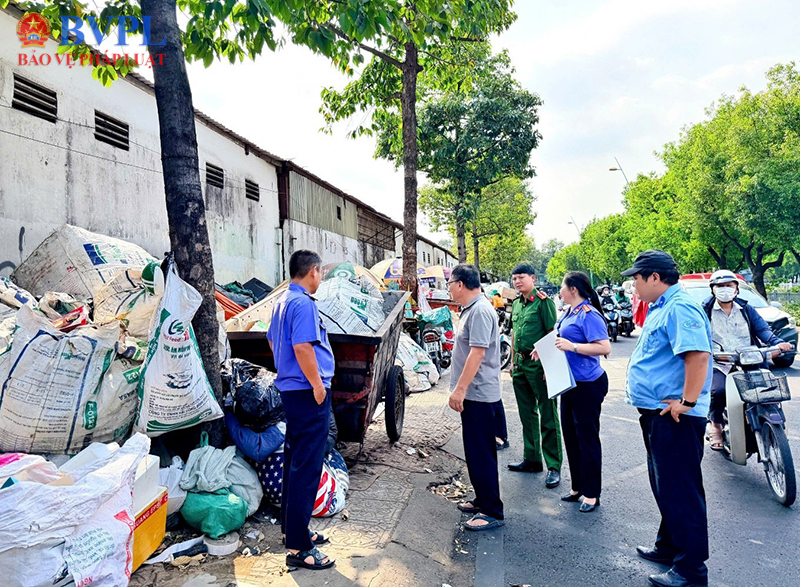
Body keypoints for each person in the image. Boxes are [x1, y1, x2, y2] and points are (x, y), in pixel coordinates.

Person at [623, 250, 712, 587]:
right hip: (657, 414)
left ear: (655, 278)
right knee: (665, 485)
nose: (634, 285)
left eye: (637, 278)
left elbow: (698, 356)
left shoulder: (680, 307)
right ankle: (670, 546)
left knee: (681, 490)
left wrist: (686, 402)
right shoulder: (661, 306)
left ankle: (691, 571)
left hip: (675, 417)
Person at [267, 250, 335, 571]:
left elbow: (273, 342)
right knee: (307, 467)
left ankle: (291, 529)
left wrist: (288, 369)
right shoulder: (304, 303)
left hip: (291, 390)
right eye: (320, 273)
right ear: (312, 272)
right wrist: (318, 385)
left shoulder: (281, 302)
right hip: (308, 393)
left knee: (295, 461)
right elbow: (302, 346)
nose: (320, 278)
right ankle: (298, 547)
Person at [702, 270, 793, 450]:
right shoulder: (704, 311)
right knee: (718, 391)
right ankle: (716, 426)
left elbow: (763, 330)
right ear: (713, 289)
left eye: (729, 285)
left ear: (736, 289)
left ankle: (773, 426)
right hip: (720, 362)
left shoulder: (746, 309)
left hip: (750, 360)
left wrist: (778, 343)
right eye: (720, 286)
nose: (725, 289)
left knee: (767, 389)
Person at [446, 264, 505, 531]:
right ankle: (483, 498)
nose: (448, 288)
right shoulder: (472, 310)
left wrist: (460, 389)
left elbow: (478, 353)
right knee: (475, 450)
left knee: (481, 451)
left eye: (450, 283)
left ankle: (492, 509)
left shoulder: (480, 311)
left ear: (460, 284)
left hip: (479, 393)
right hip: (474, 393)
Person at [549, 271, 611, 513]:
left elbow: (604, 347)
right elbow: (560, 337)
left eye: (562, 287)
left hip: (588, 384)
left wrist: (572, 346)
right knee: (571, 438)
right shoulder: (569, 312)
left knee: (587, 440)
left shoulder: (589, 314)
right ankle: (577, 487)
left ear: (573, 289)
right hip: (569, 383)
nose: (560, 292)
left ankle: (592, 493)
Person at [508, 263, 562, 489]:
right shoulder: (517, 304)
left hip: (539, 365)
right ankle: (532, 459)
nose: (517, 282)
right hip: (520, 364)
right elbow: (514, 333)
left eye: (521, 277)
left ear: (532, 278)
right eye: (514, 279)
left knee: (547, 413)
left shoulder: (543, 302)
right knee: (526, 414)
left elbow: (552, 332)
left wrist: (550, 365)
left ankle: (553, 466)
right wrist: (511, 362)